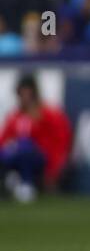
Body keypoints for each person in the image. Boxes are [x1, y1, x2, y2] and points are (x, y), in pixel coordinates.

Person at [0, 73, 73, 202]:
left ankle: (26, 184)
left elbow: (61, 142)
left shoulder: (49, 114)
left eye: (27, 92)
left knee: (25, 147)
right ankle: (9, 181)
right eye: (21, 93)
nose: (24, 97)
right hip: (16, 158)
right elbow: (3, 140)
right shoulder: (15, 117)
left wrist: (53, 171)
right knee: (18, 147)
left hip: (39, 159)